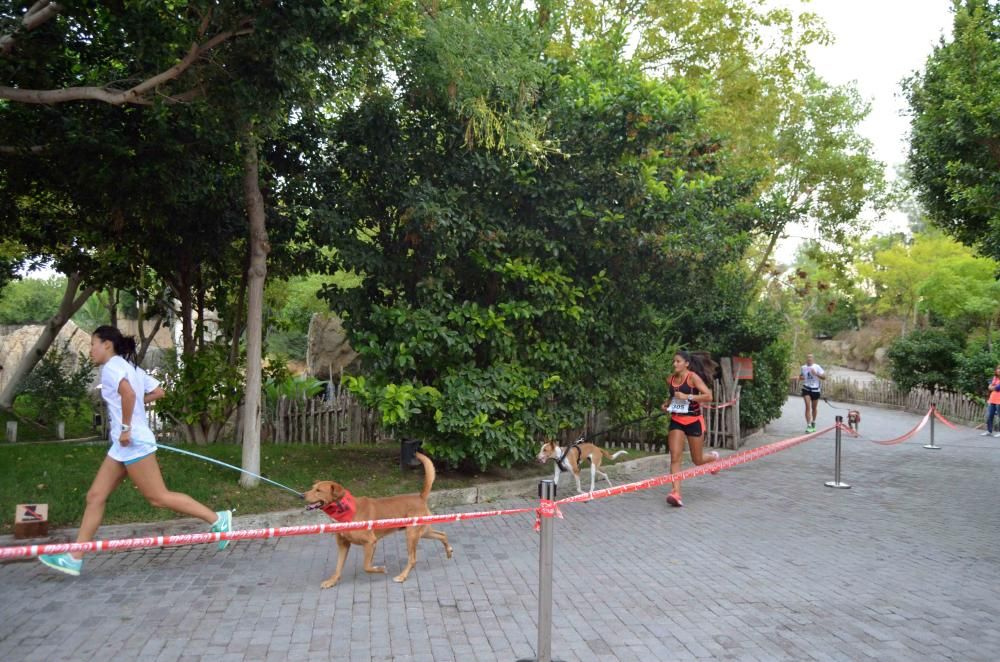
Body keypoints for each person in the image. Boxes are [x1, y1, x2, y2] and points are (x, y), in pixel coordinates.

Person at [38, 326, 232, 577]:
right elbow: (158, 392)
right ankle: (74, 557)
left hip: (133, 441)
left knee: (158, 497)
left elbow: (129, 394)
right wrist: (130, 410)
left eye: (93, 344)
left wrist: (127, 426)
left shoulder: (111, 368)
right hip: (123, 445)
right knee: (95, 496)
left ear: (107, 344)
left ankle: (218, 519)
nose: (90, 350)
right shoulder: (130, 368)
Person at [660, 350, 720, 508]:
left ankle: (713, 458)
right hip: (677, 421)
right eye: (674, 361)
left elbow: (709, 396)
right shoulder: (670, 379)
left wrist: (688, 397)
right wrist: (667, 405)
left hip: (694, 421)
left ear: (686, 363)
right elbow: (673, 397)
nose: (675, 364)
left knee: (697, 460)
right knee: (675, 457)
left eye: (678, 361)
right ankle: (676, 493)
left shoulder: (693, 377)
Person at [799, 354, 826, 433]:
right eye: (808, 357)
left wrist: (816, 374)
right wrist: (802, 377)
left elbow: (824, 377)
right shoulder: (803, 367)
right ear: (806, 359)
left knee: (814, 408)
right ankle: (809, 425)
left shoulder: (817, 367)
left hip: (815, 390)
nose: (809, 359)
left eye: (811, 357)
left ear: (813, 359)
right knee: (807, 407)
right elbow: (801, 376)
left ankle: (813, 422)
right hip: (806, 388)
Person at [982, 365, 1000, 438]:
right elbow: (989, 387)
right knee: (989, 415)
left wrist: (992, 387)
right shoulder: (994, 378)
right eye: (998, 368)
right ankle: (989, 431)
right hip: (992, 399)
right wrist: (993, 387)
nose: (999, 370)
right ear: (996, 370)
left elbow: (997, 388)